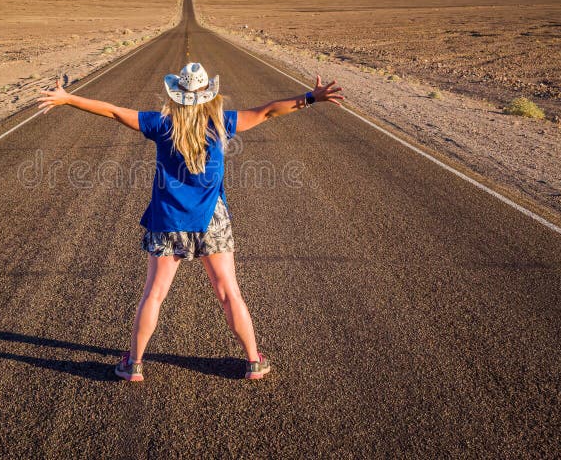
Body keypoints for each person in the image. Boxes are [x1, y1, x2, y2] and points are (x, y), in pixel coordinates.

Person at [37, 62, 344, 381]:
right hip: (212, 220)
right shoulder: (221, 122)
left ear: (176, 95)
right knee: (229, 292)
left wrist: (68, 99)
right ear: (207, 96)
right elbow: (267, 111)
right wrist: (310, 97)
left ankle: (134, 365)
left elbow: (114, 112)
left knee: (154, 294)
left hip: (168, 221)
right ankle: (254, 361)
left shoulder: (160, 124)